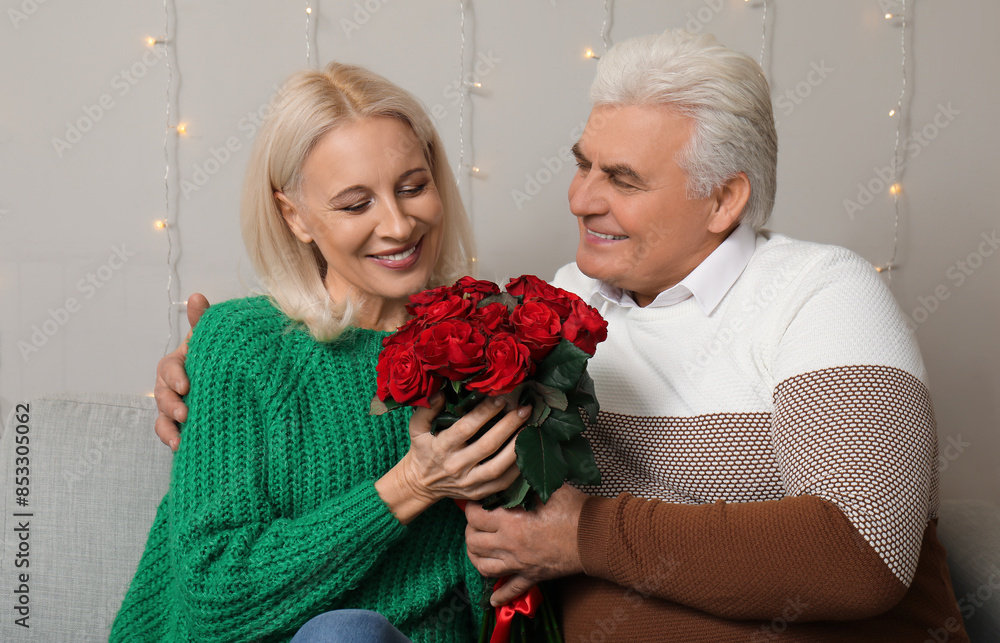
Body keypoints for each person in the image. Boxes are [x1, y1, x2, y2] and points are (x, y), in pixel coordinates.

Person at [156, 31, 970, 641]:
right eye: (584, 165)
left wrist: (578, 534)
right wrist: (220, 370)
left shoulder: (820, 293)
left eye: (622, 179)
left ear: (723, 201)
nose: (580, 199)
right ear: (293, 213)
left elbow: (858, 551)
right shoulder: (550, 309)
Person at [114, 63, 530, 642]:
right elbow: (213, 596)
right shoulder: (242, 346)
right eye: (356, 204)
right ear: (294, 216)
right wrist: (410, 486)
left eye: (413, 186)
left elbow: (503, 590)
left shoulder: (493, 342)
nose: (398, 223)